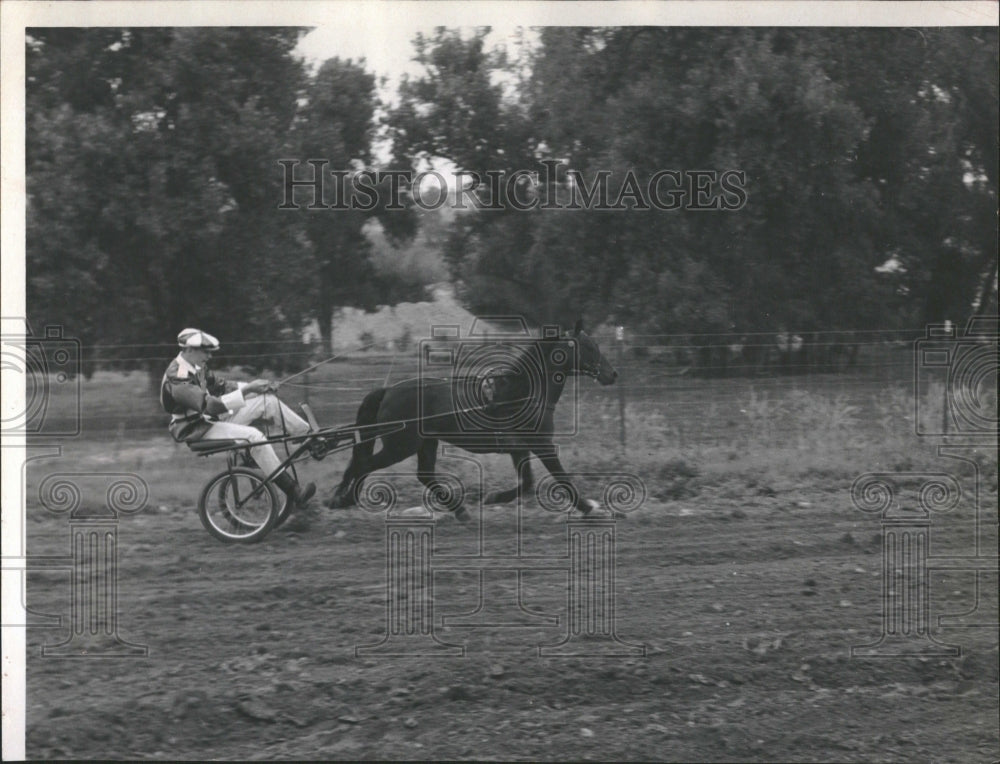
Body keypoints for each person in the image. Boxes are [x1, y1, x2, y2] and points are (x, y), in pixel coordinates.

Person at [160, 328, 316, 508]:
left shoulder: (196, 367)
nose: (209, 356)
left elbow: (222, 386)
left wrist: (257, 387)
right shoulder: (178, 377)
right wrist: (248, 390)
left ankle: (309, 438)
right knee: (254, 436)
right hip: (195, 429)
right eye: (205, 352)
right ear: (188, 349)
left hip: (210, 420)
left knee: (268, 402)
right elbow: (210, 405)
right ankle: (295, 492)